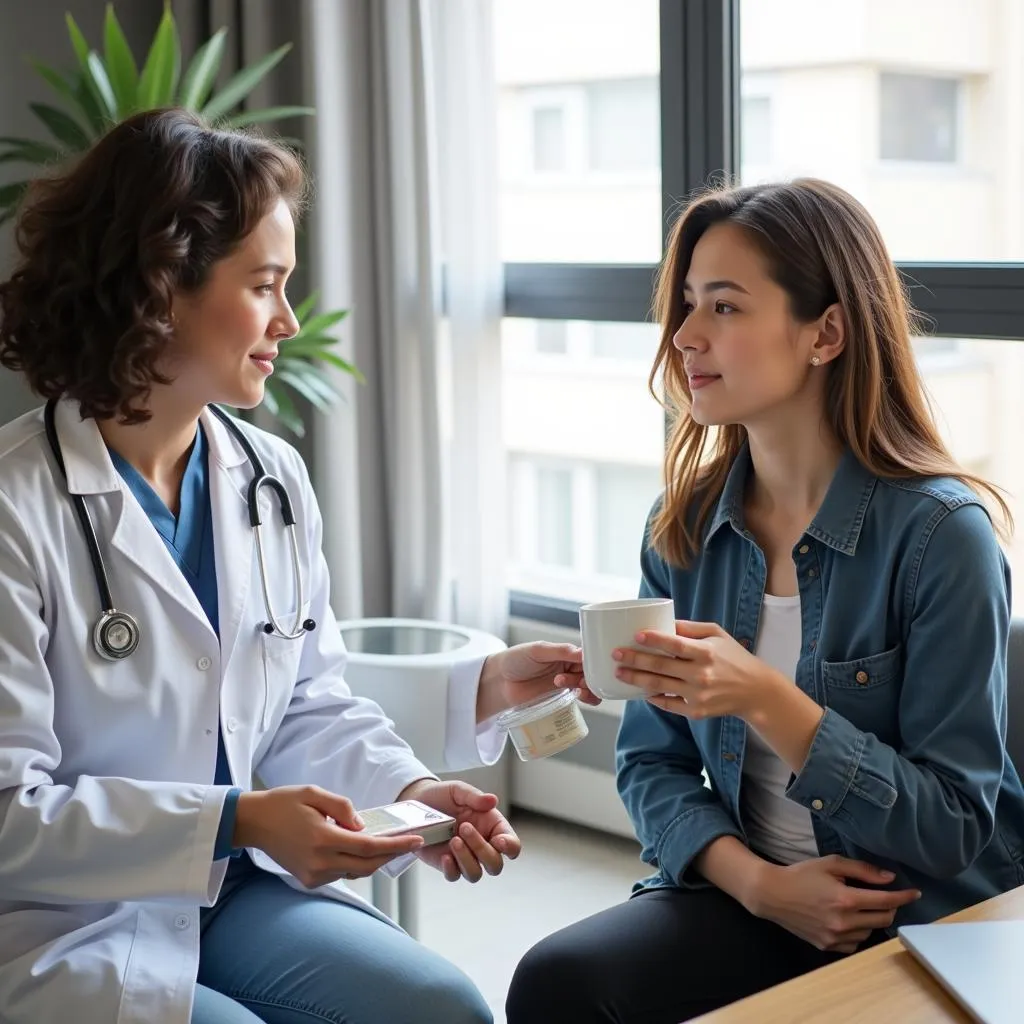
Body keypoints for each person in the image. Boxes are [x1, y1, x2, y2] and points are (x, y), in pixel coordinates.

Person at [0, 108, 594, 1024]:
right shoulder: (16, 507)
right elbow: (10, 813)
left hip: (238, 890)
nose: (288, 319)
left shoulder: (269, 479)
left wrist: (407, 795)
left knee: (443, 1008)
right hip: (69, 922)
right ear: (161, 289)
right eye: (266, 284)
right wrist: (234, 819)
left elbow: (307, 702)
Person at [507, 178, 1024, 1023]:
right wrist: (762, 887)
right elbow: (652, 759)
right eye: (685, 306)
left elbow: (955, 826)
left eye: (724, 307)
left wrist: (765, 700)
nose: (683, 336)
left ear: (826, 332)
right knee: (558, 982)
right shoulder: (686, 524)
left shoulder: (942, 537)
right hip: (757, 894)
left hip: (917, 916)